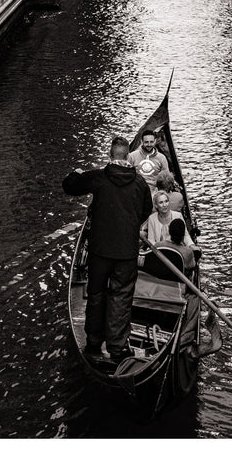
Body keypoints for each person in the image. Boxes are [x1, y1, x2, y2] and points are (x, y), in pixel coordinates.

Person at [62, 135, 153, 363]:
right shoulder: (140, 183)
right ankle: (118, 348)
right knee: (121, 297)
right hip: (126, 253)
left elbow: (69, 186)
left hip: (100, 251)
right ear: (128, 157)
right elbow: (145, 212)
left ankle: (93, 343)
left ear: (110, 155)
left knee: (96, 294)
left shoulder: (98, 178)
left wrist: (76, 172)